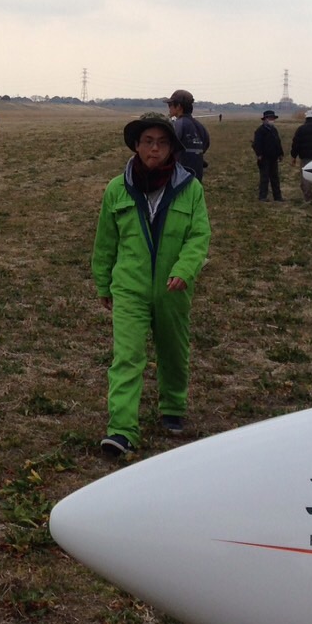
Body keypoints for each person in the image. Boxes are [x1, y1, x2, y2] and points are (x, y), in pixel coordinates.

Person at [91, 112, 211, 459]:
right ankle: (121, 430)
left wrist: (185, 270)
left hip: (174, 289)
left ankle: (172, 407)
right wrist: (103, 283)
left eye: (161, 142)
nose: (154, 149)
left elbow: (199, 237)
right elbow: (105, 242)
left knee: (173, 350)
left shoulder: (190, 189)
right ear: (136, 145)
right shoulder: (117, 189)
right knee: (127, 356)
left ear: (172, 148)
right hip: (129, 287)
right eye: (147, 142)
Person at [166, 89, 210, 180]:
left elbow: (169, 148)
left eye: (170, 105)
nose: (169, 108)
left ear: (178, 106)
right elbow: (205, 145)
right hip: (197, 176)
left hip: (179, 177)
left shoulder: (178, 124)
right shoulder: (200, 126)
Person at [252, 109, 284, 201]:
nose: (272, 120)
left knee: (275, 178)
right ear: (265, 119)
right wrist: (259, 154)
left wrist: (280, 154)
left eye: (273, 118)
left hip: (274, 157)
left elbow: (278, 142)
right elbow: (257, 144)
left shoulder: (274, 130)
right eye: (270, 118)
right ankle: (262, 197)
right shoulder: (260, 131)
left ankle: (278, 197)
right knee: (264, 178)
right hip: (264, 158)